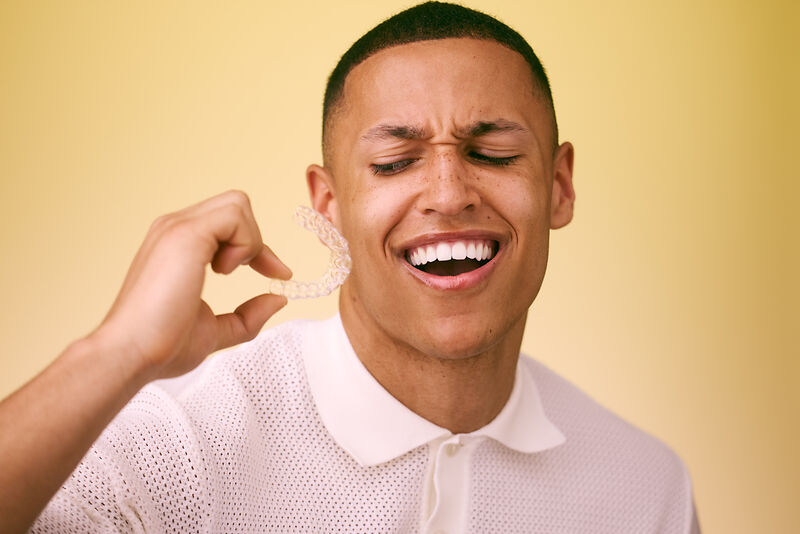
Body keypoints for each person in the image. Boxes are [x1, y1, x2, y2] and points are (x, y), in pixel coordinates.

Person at [0, 2, 700, 532]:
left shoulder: (645, 487)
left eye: (493, 153)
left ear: (560, 186)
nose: (450, 193)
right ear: (328, 205)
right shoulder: (187, 445)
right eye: (395, 162)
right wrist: (115, 353)